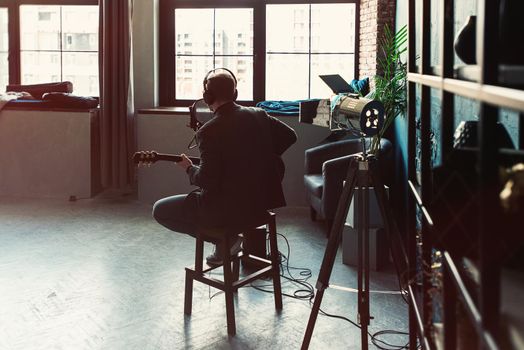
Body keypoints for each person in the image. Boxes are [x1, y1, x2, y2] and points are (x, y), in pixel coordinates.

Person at [153, 68, 297, 265]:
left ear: (207, 97)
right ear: (235, 93)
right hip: (259, 205)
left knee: (160, 210)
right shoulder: (259, 114)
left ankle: (227, 240)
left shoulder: (208, 131)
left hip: (227, 210)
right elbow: (290, 136)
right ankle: (230, 242)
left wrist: (188, 168)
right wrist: (262, 158)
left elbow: (207, 180)